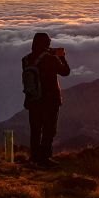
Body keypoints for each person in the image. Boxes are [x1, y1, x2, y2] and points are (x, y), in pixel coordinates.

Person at [22, 32, 70, 167]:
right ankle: (45, 158)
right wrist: (61, 57)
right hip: (50, 100)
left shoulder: (26, 59)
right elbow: (66, 72)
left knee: (35, 129)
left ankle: (34, 157)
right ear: (46, 44)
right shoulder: (50, 59)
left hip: (33, 100)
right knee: (49, 129)